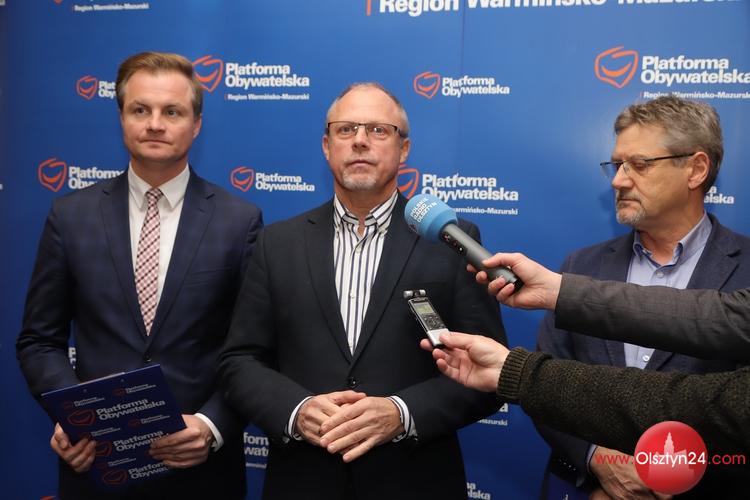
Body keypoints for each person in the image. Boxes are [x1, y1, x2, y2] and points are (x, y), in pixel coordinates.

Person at [218, 82, 505, 499]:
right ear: (326, 146)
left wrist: (401, 413)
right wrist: (296, 410)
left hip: (414, 481)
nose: (360, 141)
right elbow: (240, 360)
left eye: (378, 130)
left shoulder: (450, 240)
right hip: (303, 482)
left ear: (404, 149)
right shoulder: (277, 243)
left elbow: (491, 372)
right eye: (346, 129)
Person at [16, 52, 263, 499]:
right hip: (95, 466)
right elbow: (39, 340)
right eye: (140, 109)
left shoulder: (239, 221)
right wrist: (75, 414)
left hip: (201, 476)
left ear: (196, 124)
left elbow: (255, 349)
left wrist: (211, 425)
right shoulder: (70, 216)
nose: (155, 124)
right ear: (121, 118)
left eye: (172, 112)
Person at [533, 95, 750, 498]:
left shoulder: (746, 271)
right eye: (617, 165)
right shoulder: (581, 266)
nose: (618, 181)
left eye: (640, 164)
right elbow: (545, 383)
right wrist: (598, 460)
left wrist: (667, 478)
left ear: (696, 169)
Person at [421, 253, 749, 489]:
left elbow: (692, 403)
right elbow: (721, 317)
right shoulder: (583, 261)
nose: (618, 183)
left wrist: (518, 373)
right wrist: (558, 292)